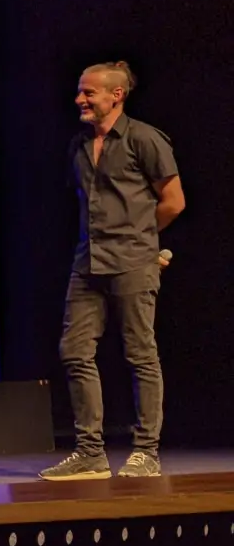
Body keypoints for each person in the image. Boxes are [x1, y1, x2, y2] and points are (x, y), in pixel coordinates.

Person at [40, 62, 185, 481]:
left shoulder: (145, 139)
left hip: (133, 262)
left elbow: (173, 201)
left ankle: (146, 452)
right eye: (80, 92)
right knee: (75, 351)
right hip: (88, 262)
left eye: (89, 93)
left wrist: (141, 241)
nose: (79, 100)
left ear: (115, 95)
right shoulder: (80, 144)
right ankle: (90, 453)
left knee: (140, 354)